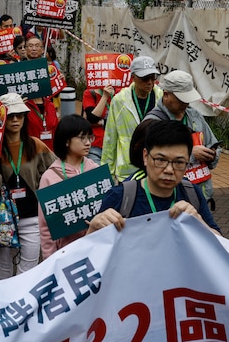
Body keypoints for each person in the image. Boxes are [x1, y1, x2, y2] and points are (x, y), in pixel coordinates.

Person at [88, 119, 221, 236]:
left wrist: (199, 222)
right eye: (160, 160)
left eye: (179, 162)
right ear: (145, 156)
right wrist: (93, 229)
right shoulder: (120, 197)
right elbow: (89, 253)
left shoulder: (192, 194)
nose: (169, 170)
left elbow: (223, 247)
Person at [0, 93, 56, 279]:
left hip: (31, 217)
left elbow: (56, 171)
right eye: (10, 115)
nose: (15, 120)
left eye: (19, 115)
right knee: (2, 274)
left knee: (29, 272)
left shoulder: (36, 145)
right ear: (1, 118)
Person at [143, 70, 220, 205]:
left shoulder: (194, 115)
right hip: (172, 201)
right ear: (166, 95)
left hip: (201, 198)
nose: (186, 104)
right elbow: (152, 162)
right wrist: (190, 154)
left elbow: (213, 143)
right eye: (181, 99)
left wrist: (212, 155)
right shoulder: (153, 122)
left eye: (188, 99)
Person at [39, 115, 99, 259]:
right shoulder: (49, 177)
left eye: (90, 137)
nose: (88, 143)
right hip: (66, 253)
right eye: (82, 138)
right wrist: (51, 259)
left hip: (96, 248)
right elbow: (46, 226)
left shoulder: (95, 169)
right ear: (66, 141)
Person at [101, 56, 162, 179]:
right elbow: (110, 137)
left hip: (157, 168)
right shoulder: (119, 101)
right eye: (145, 78)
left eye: (153, 77)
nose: (150, 82)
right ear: (132, 77)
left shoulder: (161, 98)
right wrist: (108, 173)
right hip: (128, 170)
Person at [22, 35, 59, 149]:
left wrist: (58, 81)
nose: (34, 49)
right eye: (30, 46)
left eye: (37, 46)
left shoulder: (50, 69)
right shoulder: (17, 70)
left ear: (43, 49)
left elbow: (56, 92)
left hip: (46, 107)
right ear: (25, 48)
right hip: (27, 107)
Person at [82, 85, 114, 164]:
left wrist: (102, 122)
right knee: (98, 174)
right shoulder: (90, 93)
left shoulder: (121, 93)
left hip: (114, 145)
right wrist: (105, 96)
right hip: (95, 145)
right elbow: (92, 118)